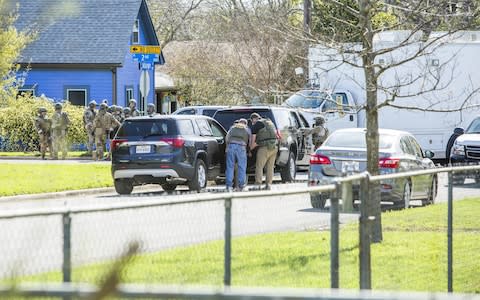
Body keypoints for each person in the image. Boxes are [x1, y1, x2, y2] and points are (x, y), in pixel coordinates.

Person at [249, 112, 279, 190]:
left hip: (264, 148)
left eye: (252, 121)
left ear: (254, 119)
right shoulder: (270, 122)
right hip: (274, 147)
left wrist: (249, 149)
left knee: (259, 166)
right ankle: (268, 185)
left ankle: (258, 184)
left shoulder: (256, 125)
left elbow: (253, 143)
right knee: (270, 167)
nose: (252, 123)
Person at [225, 118, 250, 192]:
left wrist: (227, 147)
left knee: (230, 166)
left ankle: (229, 186)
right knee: (242, 166)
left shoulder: (232, 128)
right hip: (241, 146)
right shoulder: (246, 129)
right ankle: (241, 185)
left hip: (231, 146)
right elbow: (249, 139)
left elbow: (227, 138)